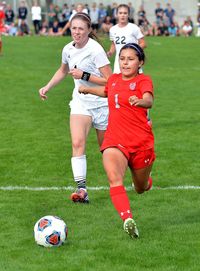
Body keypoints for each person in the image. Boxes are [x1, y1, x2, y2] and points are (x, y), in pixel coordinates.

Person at [79, 43, 155, 239]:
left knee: (140, 188)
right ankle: (128, 219)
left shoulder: (143, 81)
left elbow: (149, 99)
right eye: (122, 59)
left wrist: (141, 102)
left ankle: (145, 183)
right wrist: (87, 90)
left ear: (140, 62)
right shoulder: (113, 80)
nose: (125, 63)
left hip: (140, 142)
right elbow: (106, 93)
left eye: (130, 59)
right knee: (114, 178)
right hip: (115, 139)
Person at [39, 12, 112, 203]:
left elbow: (111, 82)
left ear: (88, 30)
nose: (77, 32)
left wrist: (84, 75)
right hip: (81, 102)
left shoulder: (96, 50)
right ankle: (82, 190)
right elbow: (63, 70)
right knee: (78, 143)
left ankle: (135, 178)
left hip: (102, 103)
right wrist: (47, 86)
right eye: (74, 28)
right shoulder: (67, 49)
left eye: (81, 28)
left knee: (107, 151)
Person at [107, 4, 146, 74]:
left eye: (125, 13)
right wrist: (110, 53)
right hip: (119, 63)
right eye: (120, 13)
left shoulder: (134, 28)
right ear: (116, 14)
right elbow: (113, 44)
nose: (123, 15)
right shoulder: (112, 29)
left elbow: (143, 43)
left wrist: (134, 52)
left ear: (128, 15)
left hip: (132, 61)